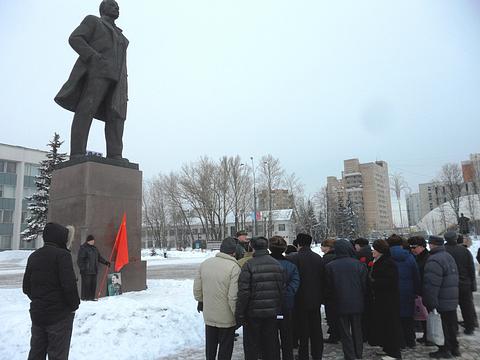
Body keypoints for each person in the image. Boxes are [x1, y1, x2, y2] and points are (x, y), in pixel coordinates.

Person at [55, 0, 129, 160]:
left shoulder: (121, 35)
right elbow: (75, 38)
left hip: (118, 80)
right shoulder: (93, 21)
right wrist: (93, 57)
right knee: (86, 109)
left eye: (118, 6)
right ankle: (77, 152)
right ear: (103, 9)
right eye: (112, 5)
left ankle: (115, 154)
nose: (117, 8)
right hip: (97, 73)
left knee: (116, 116)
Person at [23, 223, 80, 360]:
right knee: (58, 355)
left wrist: (39, 300)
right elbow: (69, 286)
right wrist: (73, 306)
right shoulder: (62, 256)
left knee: (36, 353)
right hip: (59, 316)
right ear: (60, 238)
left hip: (38, 315)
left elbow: (26, 287)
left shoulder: (34, 256)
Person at [236, 236, 284, 360]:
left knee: (252, 344)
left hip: (253, 313)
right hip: (271, 312)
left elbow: (244, 292)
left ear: (252, 247)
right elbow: (281, 289)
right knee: (271, 343)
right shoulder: (277, 264)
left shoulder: (249, 265)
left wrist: (240, 313)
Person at [193, 237, 241, 360]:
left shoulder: (205, 263)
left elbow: (197, 289)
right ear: (234, 252)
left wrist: (201, 301)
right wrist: (237, 313)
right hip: (226, 316)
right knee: (225, 347)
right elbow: (233, 296)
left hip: (209, 314)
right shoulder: (234, 267)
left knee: (210, 345)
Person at [325, 239, 367, 360]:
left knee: (344, 332)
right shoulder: (359, 264)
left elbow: (329, 287)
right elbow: (364, 285)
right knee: (357, 330)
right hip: (357, 301)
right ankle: (358, 353)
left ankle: (349, 355)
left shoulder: (330, 266)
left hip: (339, 302)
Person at [287, 233, 324, 360]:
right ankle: (317, 353)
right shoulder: (318, 258)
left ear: (298, 244)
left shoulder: (294, 259)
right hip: (315, 298)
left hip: (299, 299)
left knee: (302, 328)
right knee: (316, 328)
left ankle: (303, 354)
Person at [423, 235, 460, 358]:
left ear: (432, 244)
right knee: (451, 325)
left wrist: (430, 301)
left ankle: (444, 349)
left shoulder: (434, 260)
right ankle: (455, 348)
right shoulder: (448, 256)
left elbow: (432, 284)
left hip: (441, 299)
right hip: (451, 298)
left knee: (442, 326)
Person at [367, 239, 402, 360]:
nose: (372, 252)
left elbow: (390, 281)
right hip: (382, 299)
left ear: (380, 251)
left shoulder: (387, 262)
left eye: (374, 250)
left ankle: (394, 352)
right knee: (385, 325)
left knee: (390, 326)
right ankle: (387, 349)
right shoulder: (379, 261)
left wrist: (373, 282)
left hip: (389, 300)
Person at [269, 236, 300, 360]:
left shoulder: (266, 263)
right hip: (287, 305)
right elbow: (295, 282)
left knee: (271, 337)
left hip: (270, 305)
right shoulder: (291, 265)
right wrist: (287, 294)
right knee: (287, 335)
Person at [387, 234, 420, 349]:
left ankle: (399, 342)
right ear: (401, 244)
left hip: (392, 292)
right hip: (408, 291)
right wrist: (416, 291)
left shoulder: (386, 257)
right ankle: (411, 341)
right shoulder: (409, 257)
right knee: (408, 318)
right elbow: (416, 275)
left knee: (395, 319)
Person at [444, 231, 477, 335]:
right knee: (467, 306)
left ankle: (454, 329)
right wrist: (473, 284)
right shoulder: (464, 250)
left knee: (451, 308)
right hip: (464, 284)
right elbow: (471, 269)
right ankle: (470, 327)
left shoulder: (443, 251)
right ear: (455, 238)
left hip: (448, 285)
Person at [408, 235, 430, 344]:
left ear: (422, 246)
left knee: (428, 315)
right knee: (423, 315)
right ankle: (427, 335)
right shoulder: (417, 257)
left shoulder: (427, 258)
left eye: (414, 247)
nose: (412, 249)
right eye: (411, 247)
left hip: (426, 290)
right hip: (420, 291)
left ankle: (429, 336)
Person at [77, 234, 110, 300]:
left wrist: (106, 262)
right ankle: (85, 298)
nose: (93, 242)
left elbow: (99, 258)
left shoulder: (95, 249)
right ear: (88, 241)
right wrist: (82, 268)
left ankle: (91, 297)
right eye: (92, 240)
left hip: (94, 270)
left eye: (93, 240)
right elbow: (80, 260)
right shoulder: (83, 248)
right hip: (86, 271)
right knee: (86, 285)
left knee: (93, 285)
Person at [320, 239, 339, 344]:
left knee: (331, 314)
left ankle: (334, 335)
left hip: (329, 291)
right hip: (338, 290)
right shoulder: (336, 256)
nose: (321, 248)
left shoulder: (326, 259)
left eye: (322, 246)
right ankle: (337, 333)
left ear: (327, 247)